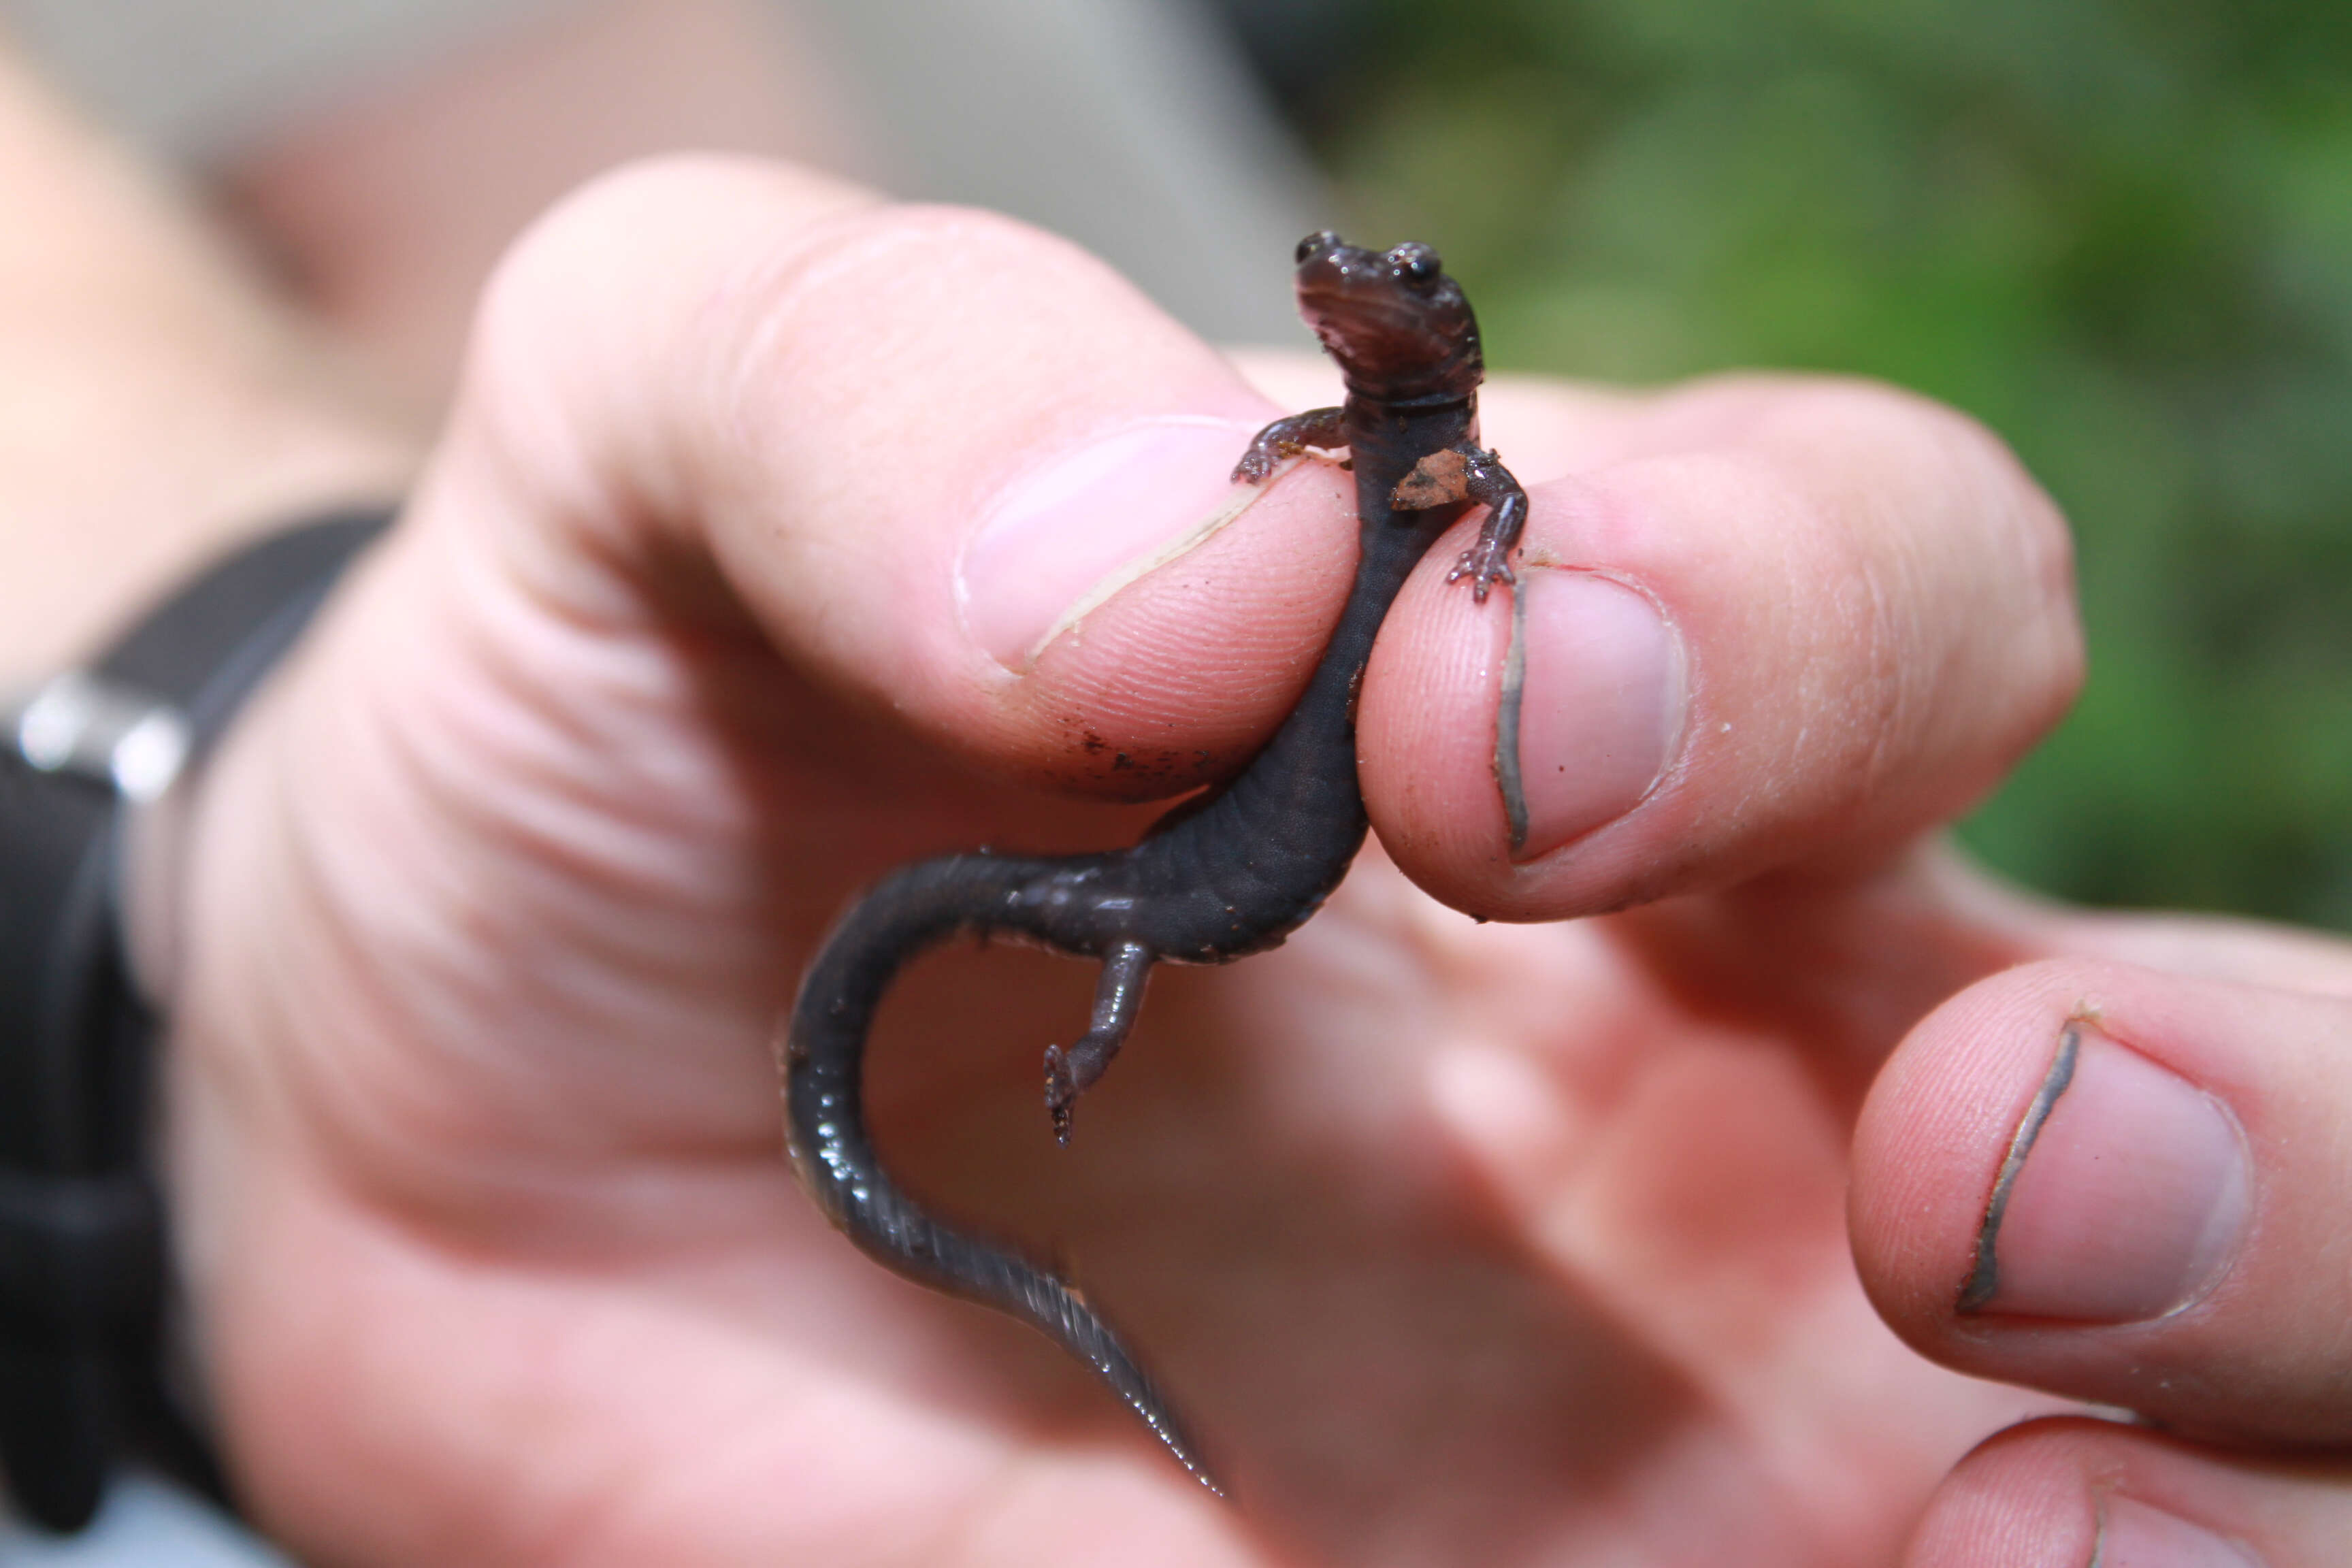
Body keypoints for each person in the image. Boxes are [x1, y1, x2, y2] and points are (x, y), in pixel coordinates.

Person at [2, 33, 2345, 1568]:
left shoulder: (1453, 466)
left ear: (1446, 346)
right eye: (1335, 290)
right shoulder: (1355, 450)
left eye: (1390, 287)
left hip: (1209, 896)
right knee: (1052, 919)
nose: (1353, 294)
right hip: (1178, 886)